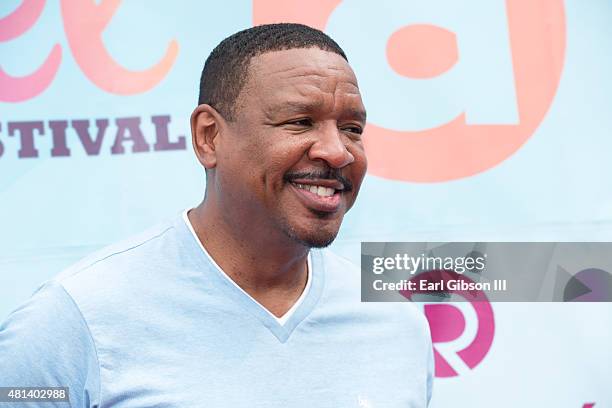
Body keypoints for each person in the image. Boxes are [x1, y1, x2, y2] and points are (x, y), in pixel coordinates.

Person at [0, 23, 433, 407]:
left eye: (352, 129)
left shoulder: (394, 321)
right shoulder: (75, 319)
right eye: (300, 121)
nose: (337, 151)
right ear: (209, 137)